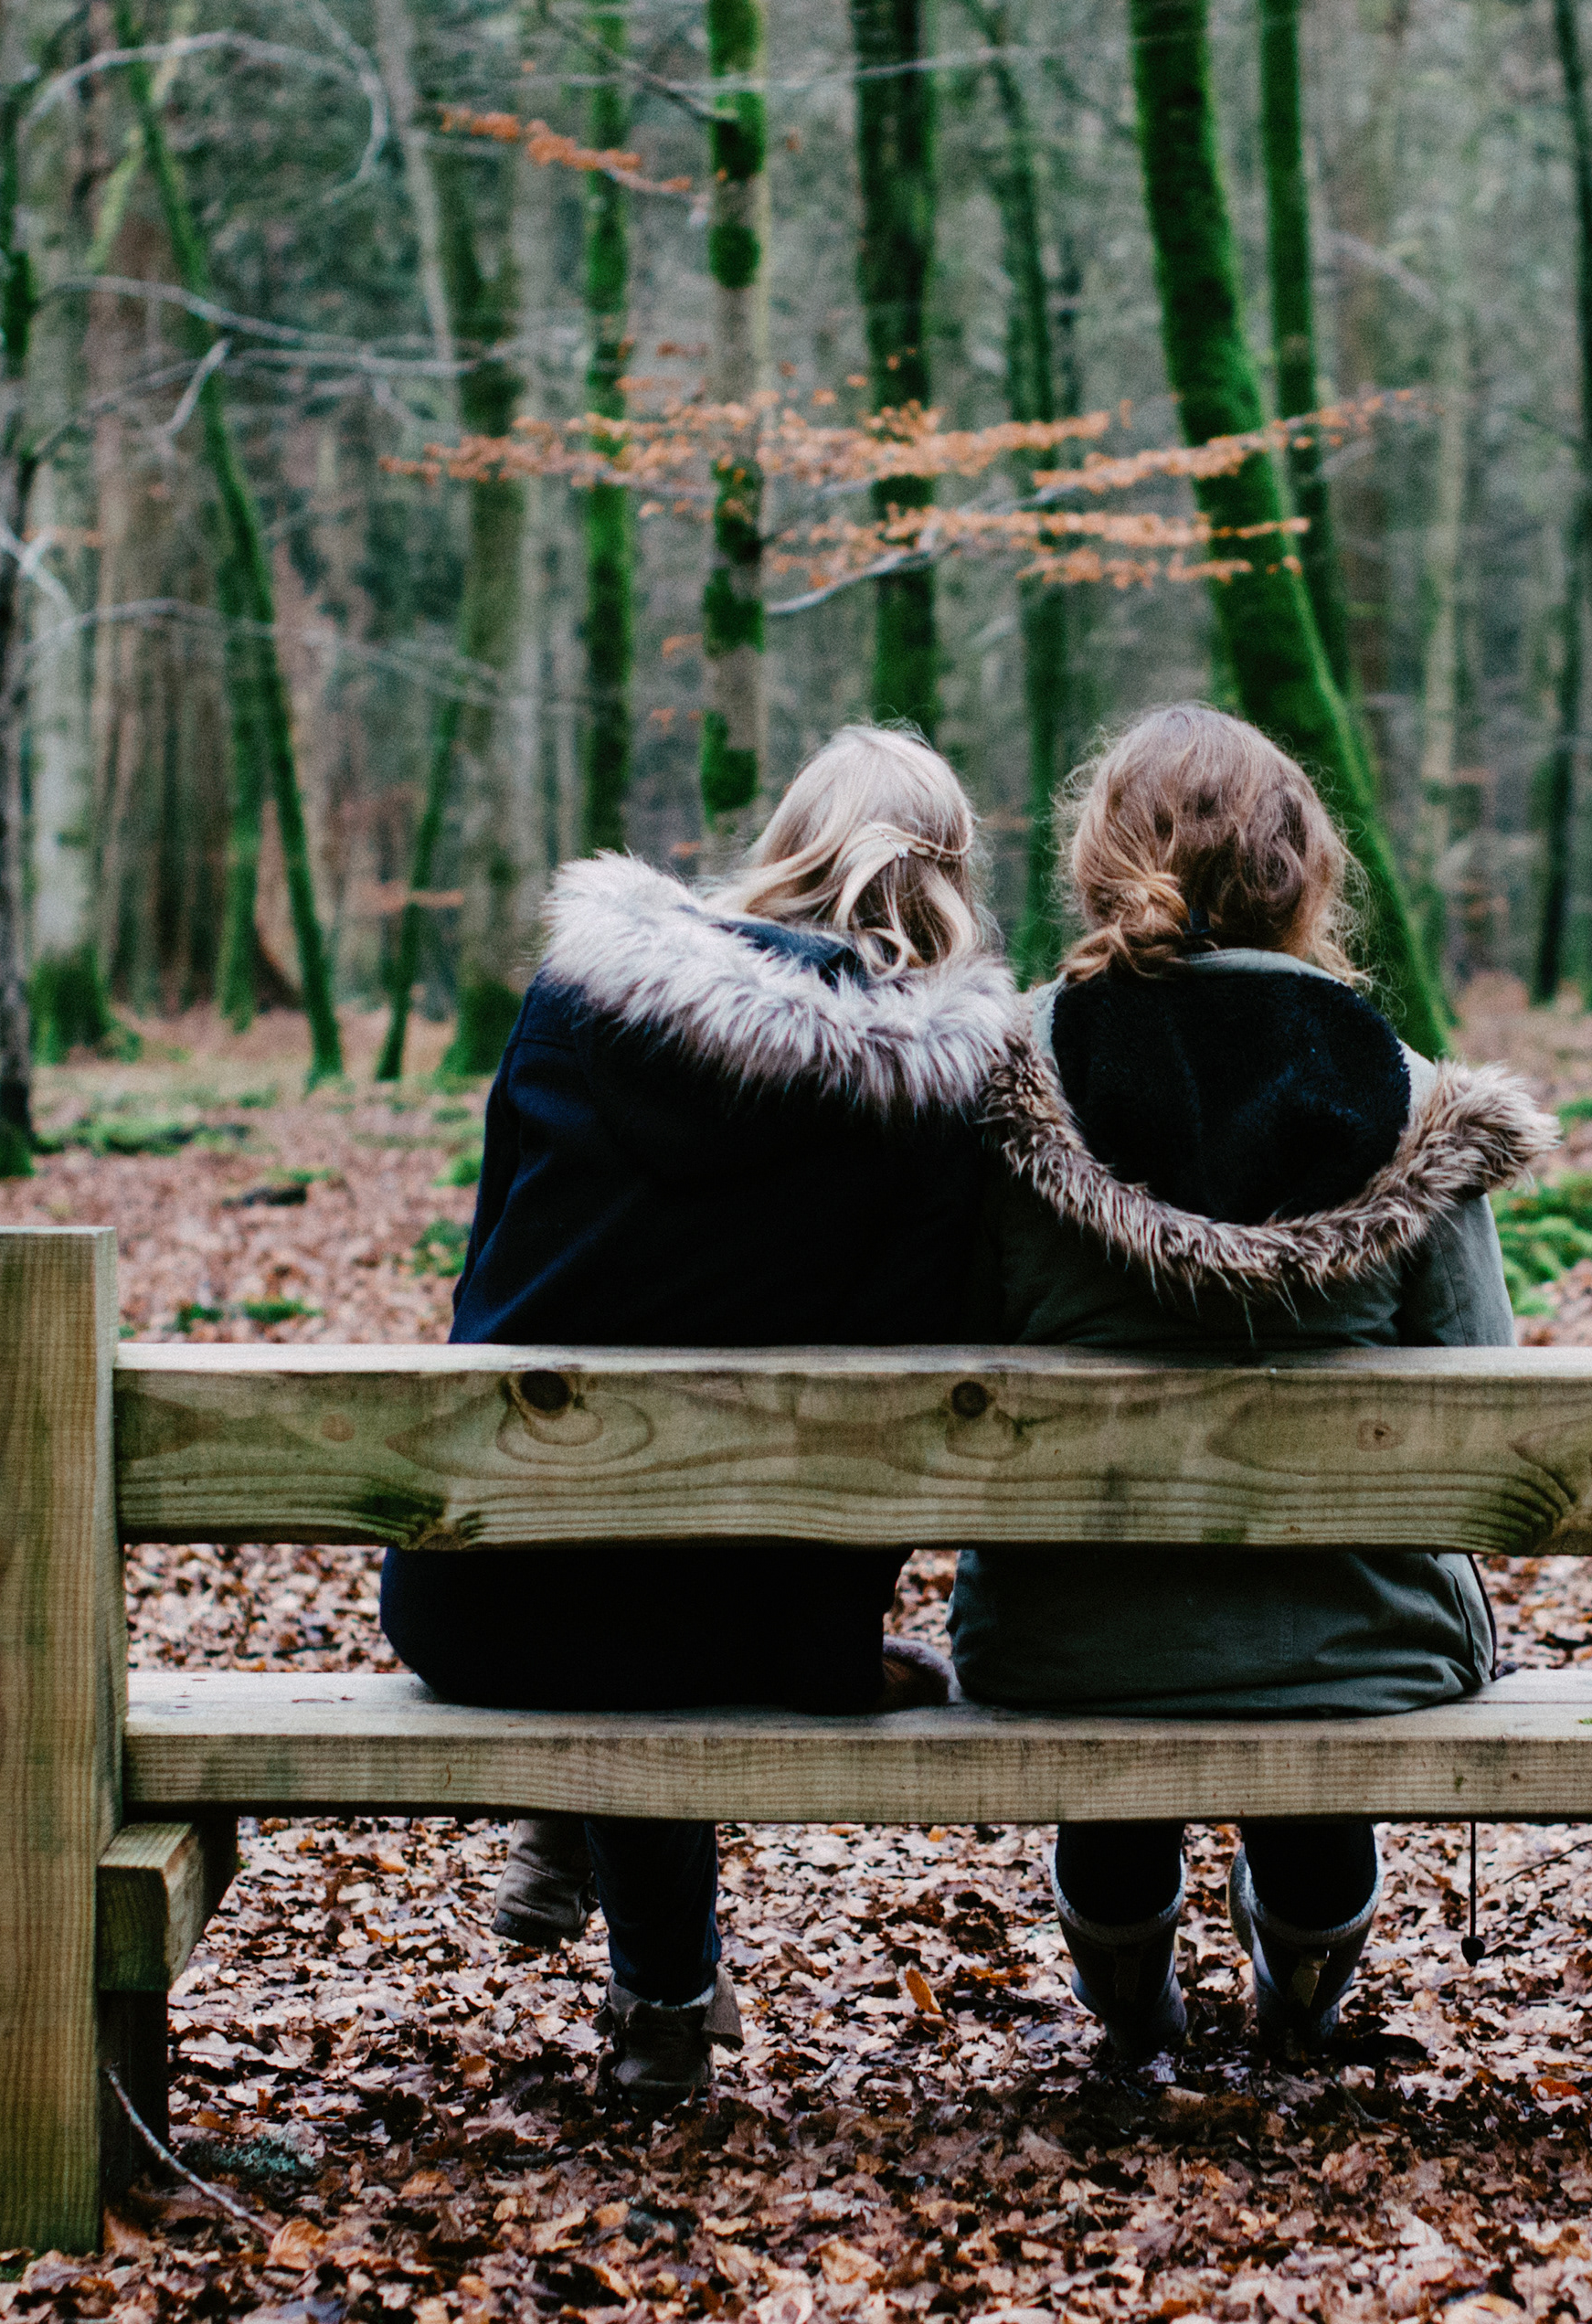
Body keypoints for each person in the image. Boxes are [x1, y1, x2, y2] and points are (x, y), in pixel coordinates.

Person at [386, 725, 1017, 2101]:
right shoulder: (939, 1101)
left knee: (616, 1581)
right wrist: (831, 1650)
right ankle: (659, 1993)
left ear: (783, 846)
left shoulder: (577, 1005)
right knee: (668, 1600)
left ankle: (652, 1978)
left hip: (475, 1597)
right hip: (739, 1619)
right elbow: (893, 1416)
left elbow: (489, 1287)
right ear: (949, 882)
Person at [950, 703, 1556, 2061]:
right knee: (1301, 1641)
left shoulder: (1001, 1083)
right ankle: (1304, 1982)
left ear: (1103, 860)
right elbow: (1487, 1399)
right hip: (1363, 1639)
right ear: (1302, 873)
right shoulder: (1409, 1096)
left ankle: (1130, 2000)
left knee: (1128, 1648)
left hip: (1062, 1638)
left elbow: (945, 1346)